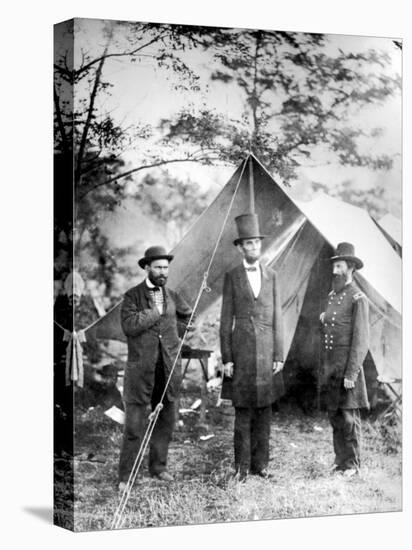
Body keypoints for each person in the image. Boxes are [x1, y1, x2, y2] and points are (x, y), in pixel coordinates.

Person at [118, 246, 192, 491]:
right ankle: (127, 477)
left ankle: (158, 467)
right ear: (147, 267)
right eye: (158, 267)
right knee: (134, 425)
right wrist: (155, 312)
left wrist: (179, 332)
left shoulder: (172, 295)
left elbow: (184, 319)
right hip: (141, 372)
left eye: (166, 267)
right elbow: (129, 326)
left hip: (167, 369)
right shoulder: (132, 297)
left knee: (167, 420)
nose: (163, 272)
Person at [220, 213, 284, 481]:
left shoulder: (272, 276)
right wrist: (227, 357)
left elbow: (278, 316)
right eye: (248, 244)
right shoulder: (232, 276)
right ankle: (241, 468)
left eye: (257, 243)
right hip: (242, 352)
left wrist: (279, 354)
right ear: (240, 248)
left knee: (265, 413)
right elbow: (225, 320)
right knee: (243, 413)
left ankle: (261, 465)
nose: (254, 248)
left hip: (267, 353)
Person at [320, 242, 369, 477]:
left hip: (347, 369)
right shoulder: (332, 296)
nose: (334, 271)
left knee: (349, 418)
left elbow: (361, 341)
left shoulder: (358, 298)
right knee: (334, 415)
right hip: (331, 368)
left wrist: (352, 373)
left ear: (350, 268)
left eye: (339, 266)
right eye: (334, 266)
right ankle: (340, 460)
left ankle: (352, 464)